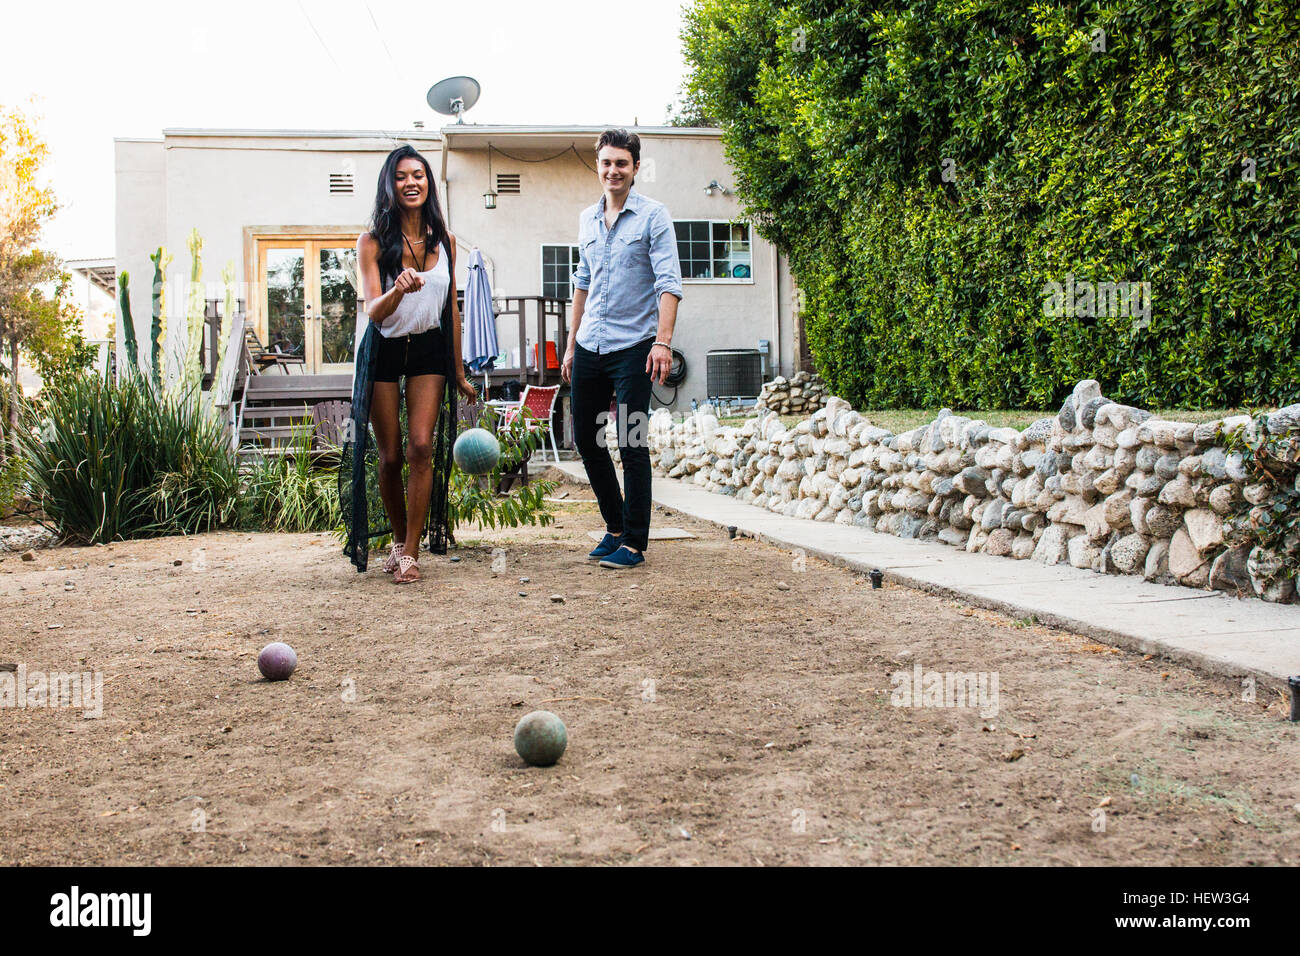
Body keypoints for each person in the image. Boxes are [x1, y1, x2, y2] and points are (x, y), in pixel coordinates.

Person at [347, 145, 477, 583]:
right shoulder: (371, 242)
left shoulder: (447, 240)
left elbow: (452, 310)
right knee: (390, 456)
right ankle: (398, 539)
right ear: (390, 184)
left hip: (428, 349)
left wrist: (458, 370)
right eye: (402, 176)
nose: (411, 183)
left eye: (418, 175)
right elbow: (372, 309)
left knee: (421, 445)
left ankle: (411, 552)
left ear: (429, 183)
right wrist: (398, 289)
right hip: (382, 346)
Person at [562, 129, 683, 569]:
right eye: (606, 163)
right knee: (588, 441)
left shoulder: (653, 216)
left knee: (632, 442)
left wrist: (662, 342)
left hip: (635, 346)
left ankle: (634, 542)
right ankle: (614, 528)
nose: (613, 171)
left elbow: (669, 284)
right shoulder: (586, 219)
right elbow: (581, 283)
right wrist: (572, 345)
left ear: (634, 168)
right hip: (591, 345)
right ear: (598, 166)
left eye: (622, 164)